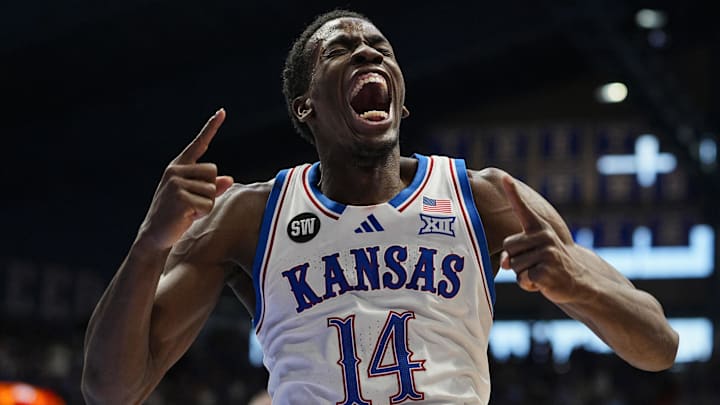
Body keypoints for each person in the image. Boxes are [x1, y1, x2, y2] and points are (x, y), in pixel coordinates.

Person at [81, 9, 679, 405]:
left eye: (380, 47)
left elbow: (658, 345)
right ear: (305, 106)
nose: (368, 53)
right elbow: (111, 389)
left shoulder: (487, 197)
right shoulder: (249, 216)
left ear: (400, 100)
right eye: (341, 49)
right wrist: (150, 244)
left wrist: (576, 284)